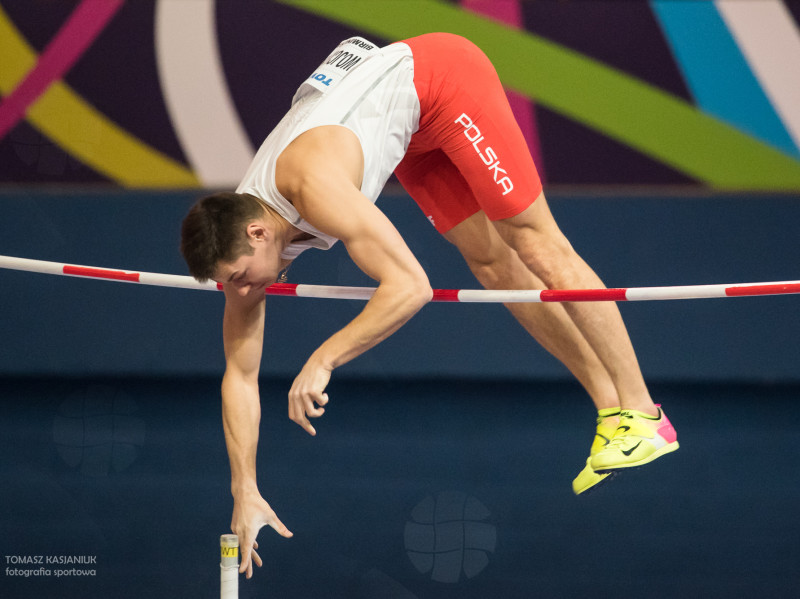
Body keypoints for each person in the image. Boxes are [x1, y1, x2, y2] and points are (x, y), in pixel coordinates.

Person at [180, 33, 678, 578]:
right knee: (489, 264)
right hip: (410, 129)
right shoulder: (244, 236)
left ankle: (644, 413)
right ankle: (611, 410)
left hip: (442, 80)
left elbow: (410, 286)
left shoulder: (313, 188)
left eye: (240, 279)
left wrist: (325, 358)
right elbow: (240, 374)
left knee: (535, 242)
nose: (244, 292)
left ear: (257, 233)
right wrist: (244, 488)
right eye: (231, 286)